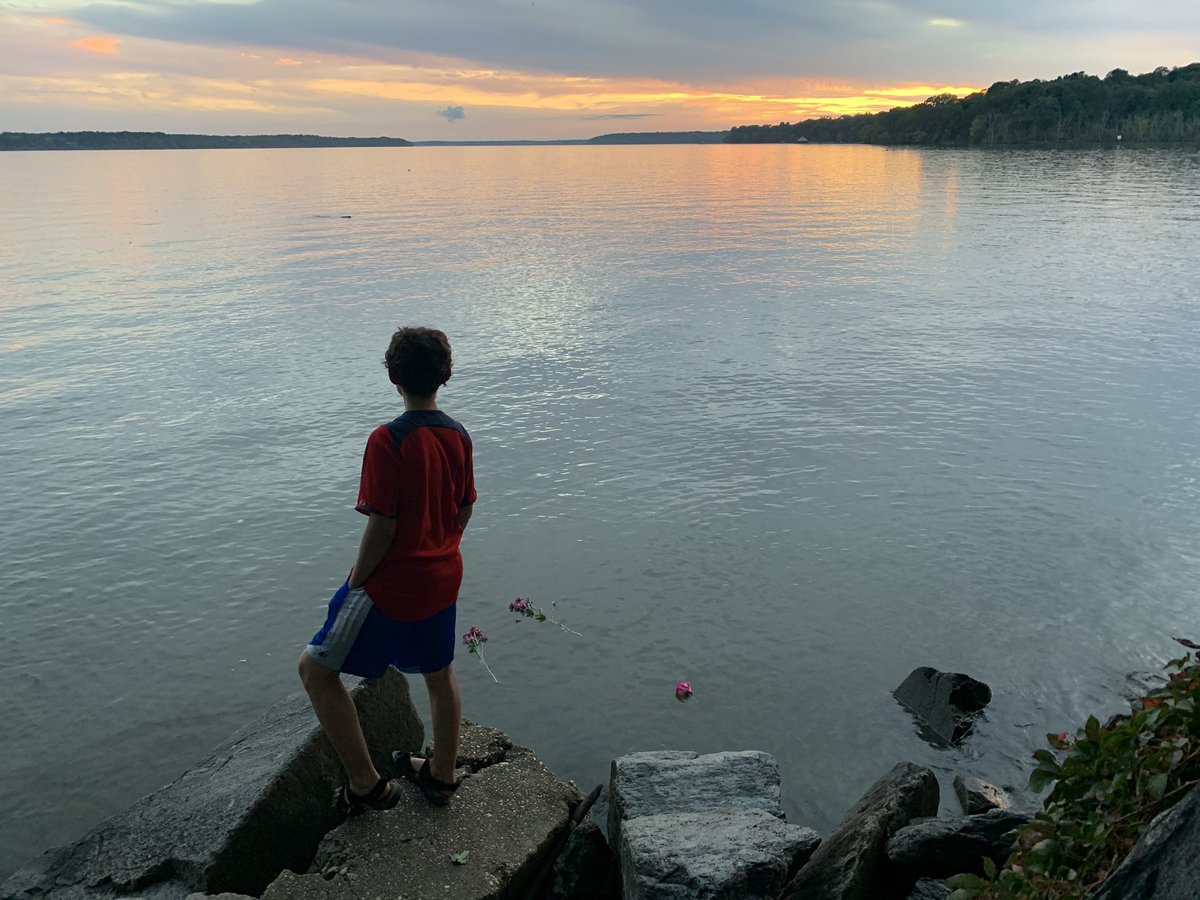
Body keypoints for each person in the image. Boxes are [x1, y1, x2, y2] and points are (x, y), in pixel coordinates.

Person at [298, 326, 476, 813]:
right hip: (444, 575)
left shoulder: (387, 440)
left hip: (393, 583)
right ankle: (441, 776)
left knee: (314, 670)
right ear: (446, 375)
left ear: (394, 376)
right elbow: (464, 509)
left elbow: (382, 524)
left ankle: (366, 785)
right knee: (439, 675)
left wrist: (357, 580)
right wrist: (440, 545)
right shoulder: (458, 435)